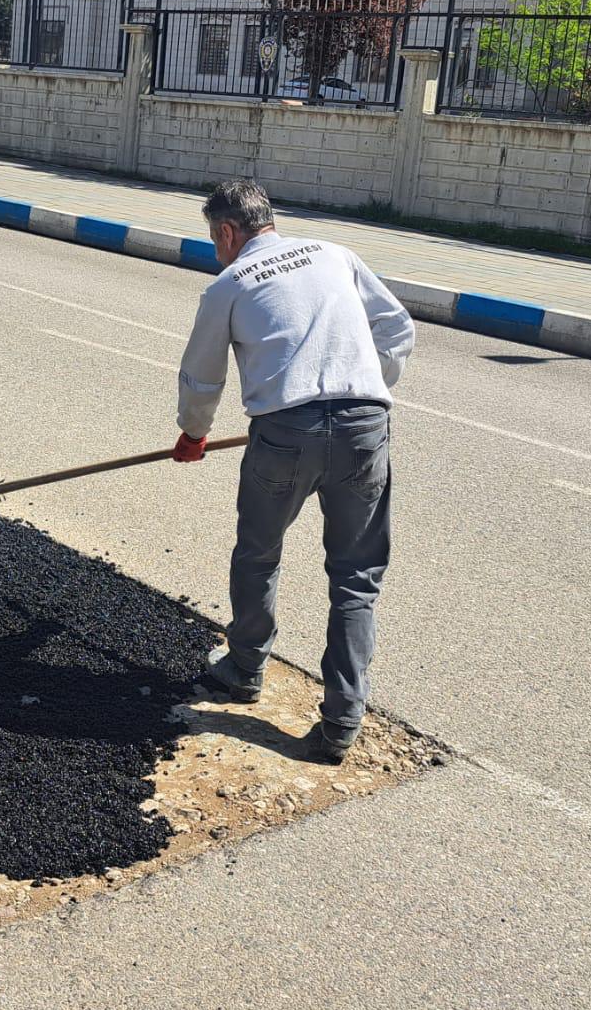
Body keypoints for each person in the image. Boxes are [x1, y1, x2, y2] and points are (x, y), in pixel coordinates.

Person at [173, 179, 415, 764]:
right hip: (365, 428)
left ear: (228, 232)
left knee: (258, 553)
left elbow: (203, 377)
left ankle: (245, 669)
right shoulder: (338, 255)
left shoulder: (228, 285)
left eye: (214, 238)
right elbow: (398, 329)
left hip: (283, 436)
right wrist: (361, 388)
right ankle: (341, 723)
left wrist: (194, 434)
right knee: (356, 578)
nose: (216, 249)